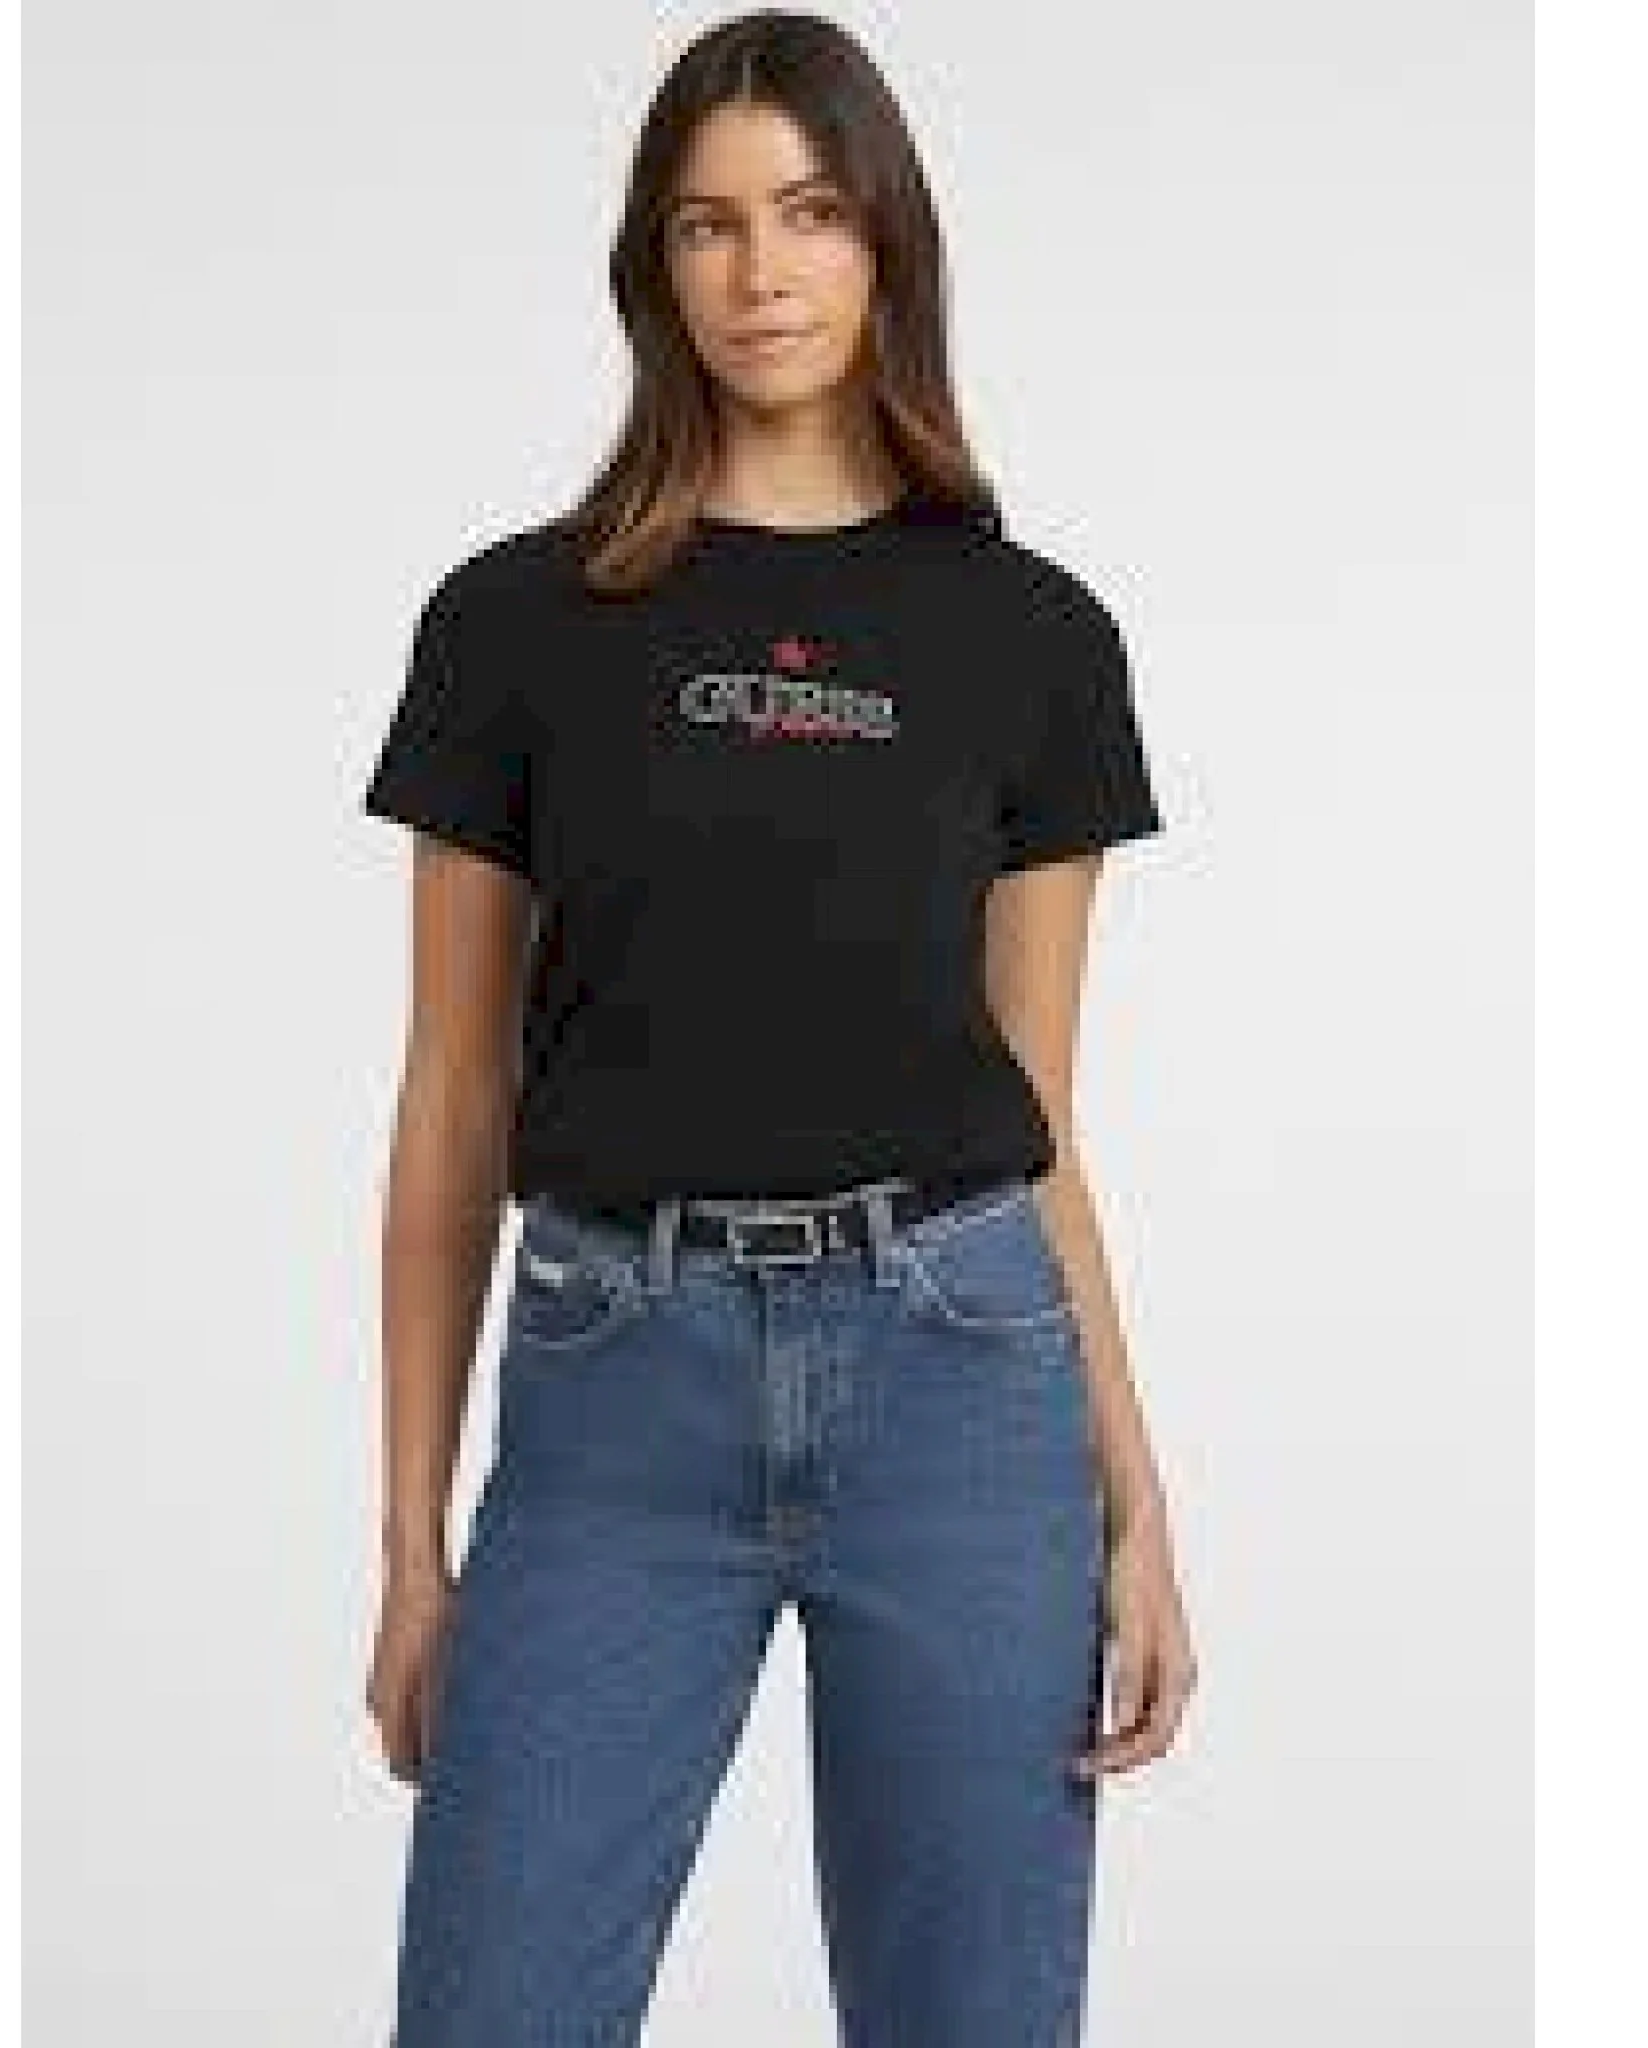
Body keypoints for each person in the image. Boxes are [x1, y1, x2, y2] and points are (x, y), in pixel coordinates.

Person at [359, 11, 1196, 2043]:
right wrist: (410, 1545)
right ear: (652, 266)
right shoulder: (514, 623)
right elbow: (455, 1097)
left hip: (962, 1381)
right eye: (707, 224)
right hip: (611, 1394)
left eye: (811, 213)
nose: (761, 271)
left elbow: (1038, 1114)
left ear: (887, 239)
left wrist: (1138, 1503)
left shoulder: (1032, 638)